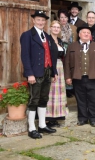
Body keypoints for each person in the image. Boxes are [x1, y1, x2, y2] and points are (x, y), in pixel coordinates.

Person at [20, 10, 58, 139]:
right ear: (33, 20)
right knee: (34, 100)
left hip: (47, 71)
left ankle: (42, 125)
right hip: (35, 73)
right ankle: (31, 128)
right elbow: (25, 56)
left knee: (43, 99)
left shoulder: (46, 36)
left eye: (43, 20)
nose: (41, 22)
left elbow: (52, 55)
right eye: (38, 20)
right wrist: (29, 74)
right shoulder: (27, 35)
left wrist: (54, 72)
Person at [64, 25, 95, 127]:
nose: (86, 34)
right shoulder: (72, 46)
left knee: (93, 98)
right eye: (84, 32)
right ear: (79, 34)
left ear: (90, 35)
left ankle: (93, 118)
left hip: (93, 77)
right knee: (81, 99)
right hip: (77, 77)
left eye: (88, 33)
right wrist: (68, 77)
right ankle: (82, 118)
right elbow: (67, 63)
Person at [46, 20, 68, 127]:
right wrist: (52, 71)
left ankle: (57, 116)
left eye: (58, 27)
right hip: (52, 67)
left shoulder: (59, 40)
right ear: (50, 28)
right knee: (51, 93)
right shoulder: (47, 40)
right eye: (54, 27)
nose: (56, 29)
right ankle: (49, 118)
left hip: (60, 67)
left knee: (59, 93)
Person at [57, 9, 77, 98]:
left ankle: (71, 88)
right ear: (58, 18)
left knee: (71, 69)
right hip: (61, 52)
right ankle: (65, 89)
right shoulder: (56, 27)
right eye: (61, 17)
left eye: (65, 17)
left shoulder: (73, 28)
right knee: (63, 70)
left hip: (72, 51)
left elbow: (76, 40)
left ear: (68, 18)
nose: (63, 19)